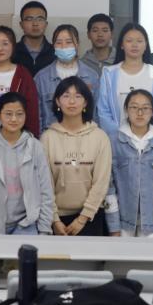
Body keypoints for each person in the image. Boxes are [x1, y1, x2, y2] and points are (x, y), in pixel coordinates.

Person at [0, 93, 55, 235]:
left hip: (26, 225)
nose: (14, 119)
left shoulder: (35, 147)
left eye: (19, 114)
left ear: (26, 115)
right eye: (8, 114)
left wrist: (44, 229)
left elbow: (46, 191)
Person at [42, 77, 112, 236]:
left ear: (86, 102)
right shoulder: (47, 138)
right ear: (57, 102)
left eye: (78, 96)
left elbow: (101, 182)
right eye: (66, 96)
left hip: (91, 216)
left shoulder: (100, 137)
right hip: (55, 219)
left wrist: (83, 218)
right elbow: (44, 183)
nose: (72, 101)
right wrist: (54, 219)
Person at [105, 89, 153, 238]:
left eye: (145, 108)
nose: (140, 113)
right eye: (134, 107)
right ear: (126, 110)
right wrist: (113, 226)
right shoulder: (113, 142)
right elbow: (109, 188)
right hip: (122, 224)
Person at [96, 23, 153, 137]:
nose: (134, 45)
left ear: (146, 45)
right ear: (122, 45)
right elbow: (103, 112)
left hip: (150, 143)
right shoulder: (108, 75)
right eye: (129, 41)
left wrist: (151, 141)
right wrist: (118, 139)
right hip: (116, 141)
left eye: (139, 41)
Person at [35, 24, 100, 133]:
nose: (64, 47)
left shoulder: (91, 76)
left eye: (69, 42)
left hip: (84, 136)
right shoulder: (41, 78)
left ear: (77, 44)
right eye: (59, 42)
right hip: (52, 137)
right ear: (53, 46)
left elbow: (96, 114)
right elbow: (38, 116)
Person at [13, 1, 55, 76]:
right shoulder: (11, 52)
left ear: (46, 24)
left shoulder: (55, 53)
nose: (35, 24)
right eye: (29, 19)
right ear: (21, 24)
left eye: (40, 19)